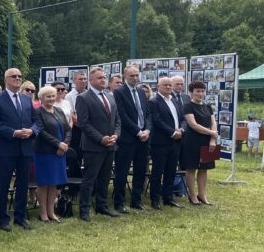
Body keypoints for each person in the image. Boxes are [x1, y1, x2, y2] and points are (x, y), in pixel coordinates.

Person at [0, 68, 38, 231]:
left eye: (19, 76)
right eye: (14, 76)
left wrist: (32, 131)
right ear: (6, 80)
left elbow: (36, 122)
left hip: (25, 149)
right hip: (7, 149)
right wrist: (13, 133)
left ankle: (20, 217)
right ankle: (3, 219)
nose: (18, 78)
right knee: (4, 184)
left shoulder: (26, 99)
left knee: (23, 184)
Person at [75, 67, 121, 221]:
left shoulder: (110, 95)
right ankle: (85, 210)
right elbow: (84, 123)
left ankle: (102, 206)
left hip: (111, 144)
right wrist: (100, 138)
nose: (103, 79)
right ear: (91, 80)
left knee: (105, 178)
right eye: (100, 77)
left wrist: (116, 134)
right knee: (90, 179)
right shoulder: (83, 98)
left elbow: (117, 119)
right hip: (94, 146)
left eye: (104, 77)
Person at [112, 66, 152, 212]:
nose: (135, 78)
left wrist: (147, 130)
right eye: (131, 76)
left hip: (143, 138)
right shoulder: (119, 92)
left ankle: (136, 200)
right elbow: (122, 115)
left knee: (140, 170)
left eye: (136, 75)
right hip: (128, 138)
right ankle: (119, 202)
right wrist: (137, 131)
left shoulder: (141, 92)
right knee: (122, 171)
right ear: (125, 76)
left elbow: (147, 114)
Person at [34, 86, 71, 222]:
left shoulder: (59, 111)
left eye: (53, 96)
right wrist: (58, 144)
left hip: (59, 153)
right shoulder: (37, 112)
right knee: (44, 183)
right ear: (41, 98)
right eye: (47, 96)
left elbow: (68, 129)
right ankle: (43, 213)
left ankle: (51, 212)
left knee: (54, 183)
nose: (51, 98)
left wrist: (64, 145)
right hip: (44, 152)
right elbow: (41, 132)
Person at [147, 77, 185, 209]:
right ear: (158, 86)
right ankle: (155, 199)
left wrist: (181, 129)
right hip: (160, 142)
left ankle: (168, 198)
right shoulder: (154, 101)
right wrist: (172, 132)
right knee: (157, 172)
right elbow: (156, 121)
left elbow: (183, 118)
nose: (168, 87)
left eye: (170, 85)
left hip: (176, 142)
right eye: (165, 85)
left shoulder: (175, 101)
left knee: (171, 171)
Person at [181, 81, 217, 206]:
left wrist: (213, 139)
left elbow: (213, 123)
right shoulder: (187, 106)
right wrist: (211, 133)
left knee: (204, 168)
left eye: (202, 91)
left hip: (207, 141)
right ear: (191, 92)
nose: (200, 94)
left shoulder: (208, 107)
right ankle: (192, 195)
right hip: (192, 141)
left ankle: (202, 194)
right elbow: (193, 125)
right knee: (192, 168)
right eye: (197, 91)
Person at [65, 71, 87, 178]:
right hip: (77, 131)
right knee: (75, 158)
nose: (83, 81)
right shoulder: (69, 96)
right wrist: (85, 125)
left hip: (88, 132)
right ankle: (74, 186)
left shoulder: (88, 94)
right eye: (80, 79)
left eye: (84, 79)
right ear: (74, 81)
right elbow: (72, 116)